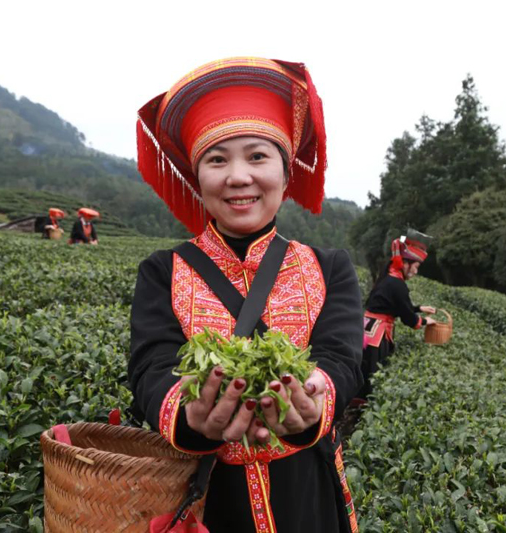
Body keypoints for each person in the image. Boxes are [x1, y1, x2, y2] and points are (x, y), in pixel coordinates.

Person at [129, 57, 363, 533]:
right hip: (207, 499)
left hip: (307, 496)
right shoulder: (162, 271)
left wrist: (316, 396)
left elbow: (343, 360)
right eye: (217, 160)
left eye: (257, 156)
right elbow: (151, 370)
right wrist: (191, 413)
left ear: (285, 170)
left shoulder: (329, 268)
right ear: (198, 178)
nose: (238, 177)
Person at [359, 230, 437, 400]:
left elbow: (396, 306)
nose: (416, 272)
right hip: (378, 333)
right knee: (373, 374)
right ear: (405, 263)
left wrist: (419, 308)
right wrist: (425, 321)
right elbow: (408, 318)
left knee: (364, 371)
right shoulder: (397, 284)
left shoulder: (389, 277)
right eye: (415, 267)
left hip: (368, 327)